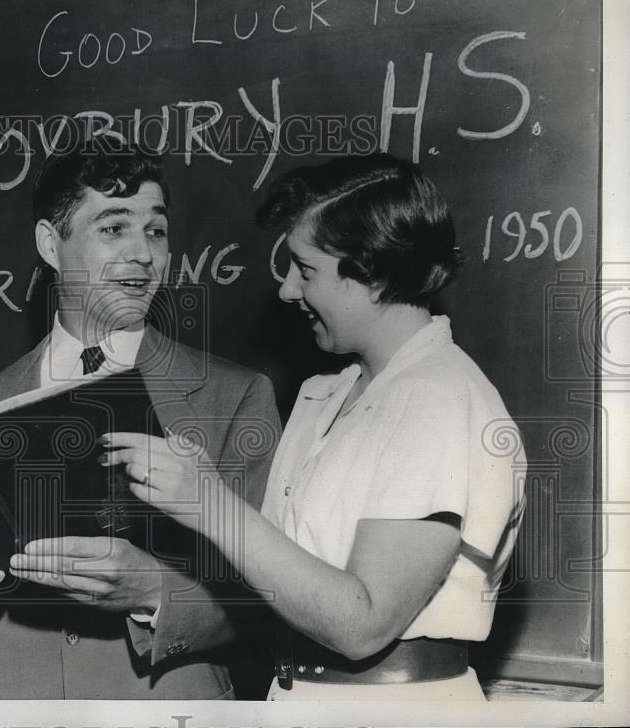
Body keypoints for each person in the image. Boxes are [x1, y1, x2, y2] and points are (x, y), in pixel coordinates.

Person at [104, 153, 527, 701]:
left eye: (306, 271)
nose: (285, 290)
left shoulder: (440, 399)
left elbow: (362, 624)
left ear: (371, 273)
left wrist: (209, 501)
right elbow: (286, 579)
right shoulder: (325, 394)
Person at [0, 139, 281, 699]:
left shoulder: (236, 397)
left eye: (156, 230)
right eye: (113, 228)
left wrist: (153, 592)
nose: (143, 254)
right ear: (50, 244)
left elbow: (271, 600)